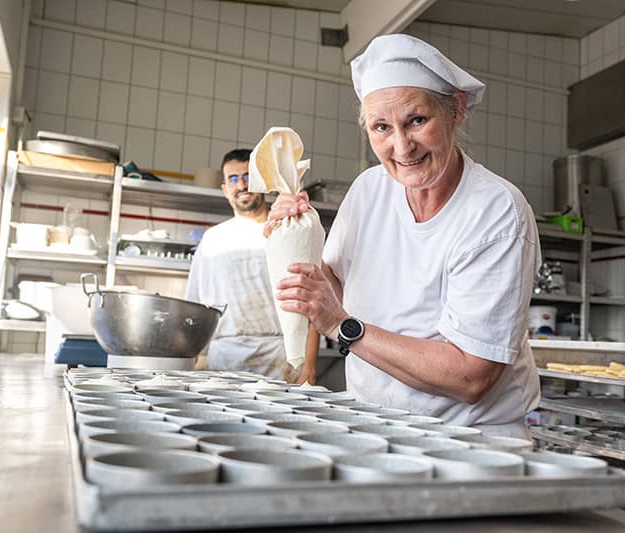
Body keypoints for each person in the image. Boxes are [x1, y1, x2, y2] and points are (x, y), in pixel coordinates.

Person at [266, 34, 541, 438]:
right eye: (381, 127)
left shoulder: (496, 212)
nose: (401, 147)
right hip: (374, 426)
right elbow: (328, 290)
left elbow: (471, 376)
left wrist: (342, 326)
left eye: (417, 120)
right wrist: (294, 236)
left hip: (470, 442)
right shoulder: (368, 191)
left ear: (455, 110)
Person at [186, 148, 318, 383]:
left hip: (280, 357)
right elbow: (195, 308)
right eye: (233, 179)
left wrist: (308, 368)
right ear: (225, 189)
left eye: (247, 176)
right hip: (224, 359)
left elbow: (311, 303)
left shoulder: (286, 230)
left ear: (262, 184)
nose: (242, 185)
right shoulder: (212, 240)